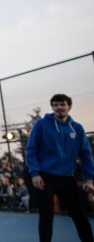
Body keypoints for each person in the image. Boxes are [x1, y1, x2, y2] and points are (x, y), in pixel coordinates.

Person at [26, 93, 94, 242]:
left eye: (62, 104)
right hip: (45, 177)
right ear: (52, 107)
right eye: (55, 105)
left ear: (69, 106)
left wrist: (89, 179)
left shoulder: (77, 128)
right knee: (46, 216)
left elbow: (86, 154)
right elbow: (31, 150)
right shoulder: (41, 125)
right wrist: (35, 173)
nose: (59, 107)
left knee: (79, 215)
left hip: (66, 177)